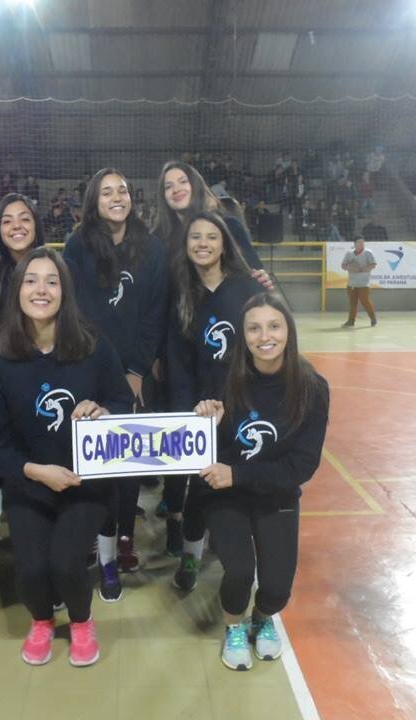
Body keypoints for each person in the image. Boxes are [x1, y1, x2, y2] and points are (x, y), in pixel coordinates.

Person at [0, 247, 133, 667]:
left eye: (51, 281)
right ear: (17, 291)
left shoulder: (93, 345)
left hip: (86, 484)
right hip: (30, 481)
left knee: (65, 563)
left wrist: (104, 411)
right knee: (30, 570)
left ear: (65, 291)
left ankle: (81, 621)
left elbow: (123, 402)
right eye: (30, 280)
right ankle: (42, 620)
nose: (40, 289)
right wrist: (34, 472)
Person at [195, 292, 328, 671]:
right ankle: (234, 626)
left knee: (277, 587)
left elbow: (302, 465)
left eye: (274, 326)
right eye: (254, 328)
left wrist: (239, 473)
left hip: (275, 494)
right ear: (243, 334)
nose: (264, 336)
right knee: (239, 571)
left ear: (289, 331)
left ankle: (262, 617)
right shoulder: (224, 378)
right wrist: (206, 421)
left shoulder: (313, 388)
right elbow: (202, 450)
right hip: (227, 495)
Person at [63, 169, 168, 600]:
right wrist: (86, 366)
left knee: (128, 460)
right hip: (88, 367)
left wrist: (137, 370)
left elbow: (155, 313)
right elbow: (72, 308)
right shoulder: (77, 245)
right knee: (96, 461)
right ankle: (98, 534)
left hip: (132, 372)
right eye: (106, 192)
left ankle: (125, 536)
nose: (116, 197)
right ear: (94, 202)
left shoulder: (152, 248)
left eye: (122, 189)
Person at [165, 211, 262, 591]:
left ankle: (242, 557)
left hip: (243, 405)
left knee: (242, 483)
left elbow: (266, 346)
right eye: (195, 237)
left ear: (224, 244)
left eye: (211, 236)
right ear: (186, 246)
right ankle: (191, 555)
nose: (203, 243)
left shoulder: (247, 288)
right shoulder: (181, 294)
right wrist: (187, 412)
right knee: (201, 486)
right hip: (202, 411)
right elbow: (178, 361)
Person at [0, 193, 46, 327]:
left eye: (24, 219)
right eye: (7, 221)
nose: (17, 226)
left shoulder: (57, 271)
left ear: (36, 225)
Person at [341, 235, 377, 327]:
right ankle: (351, 321)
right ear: (355, 244)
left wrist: (361, 269)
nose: (361, 244)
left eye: (362, 242)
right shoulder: (349, 253)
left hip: (364, 283)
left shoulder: (368, 253)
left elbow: (373, 265)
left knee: (365, 301)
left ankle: (373, 318)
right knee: (352, 303)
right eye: (359, 242)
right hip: (351, 283)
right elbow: (343, 265)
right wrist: (349, 268)